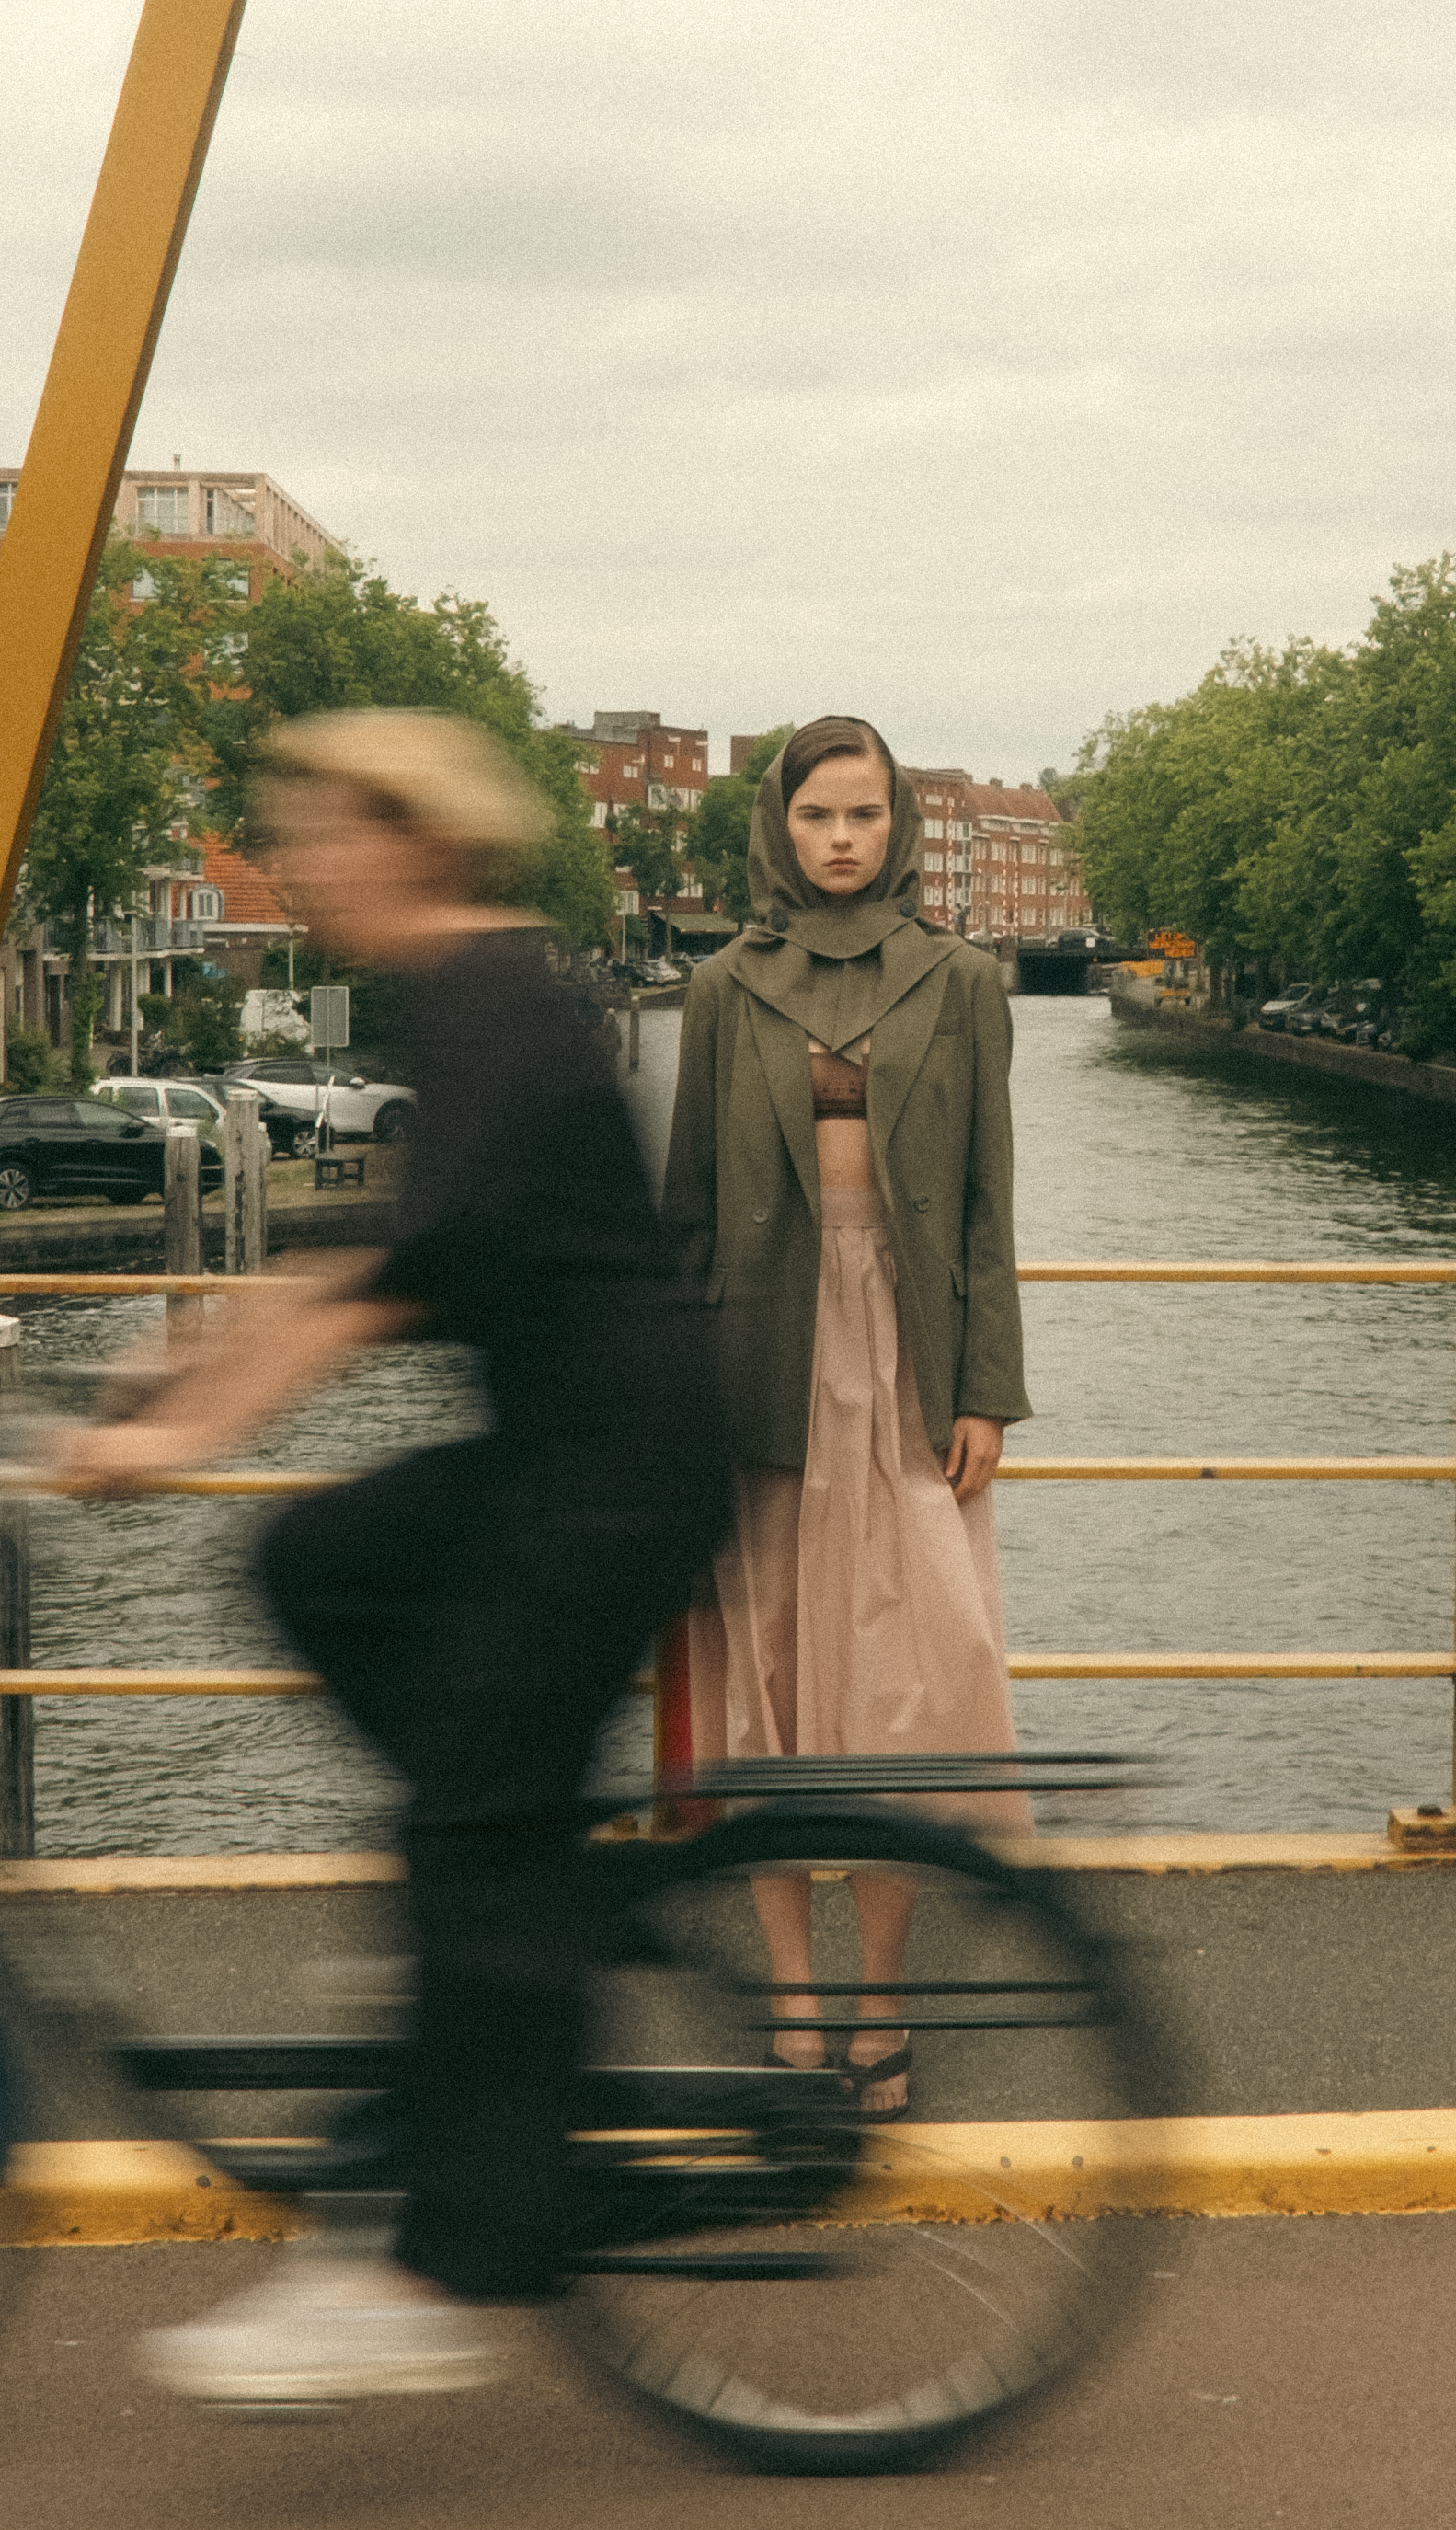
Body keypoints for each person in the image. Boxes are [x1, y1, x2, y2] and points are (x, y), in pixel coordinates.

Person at [58, 712, 729, 2407]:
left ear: (408, 836)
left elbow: (373, 1293)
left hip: (617, 1477)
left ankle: (427, 2266)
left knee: (464, 1820)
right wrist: (169, 1367)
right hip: (562, 1451)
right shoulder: (468, 994)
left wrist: (176, 1438)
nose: (294, 864)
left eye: (317, 833)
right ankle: (507, 1915)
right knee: (318, 1557)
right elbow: (367, 1252)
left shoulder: (499, 1000)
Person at [661, 718, 1030, 2122]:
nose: (839, 838)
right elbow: (690, 1210)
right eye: (816, 814)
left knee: (910, 1682)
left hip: (910, 1364)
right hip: (757, 1359)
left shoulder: (964, 979)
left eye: (863, 814)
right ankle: (791, 2004)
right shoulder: (721, 987)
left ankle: (880, 1999)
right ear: (780, 826)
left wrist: (985, 1388)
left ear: (897, 826)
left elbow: (988, 1203)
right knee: (764, 1683)